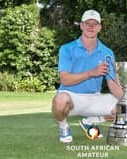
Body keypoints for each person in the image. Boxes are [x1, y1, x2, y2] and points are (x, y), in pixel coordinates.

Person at [52, 9, 124, 143]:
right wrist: (91, 72)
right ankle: (63, 127)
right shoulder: (67, 49)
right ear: (81, 25)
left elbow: (113, 84)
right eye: (87, 23)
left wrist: (125, 99)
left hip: (94, 98)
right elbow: (65, 80)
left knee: (123, 106)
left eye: (95, 23)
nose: (91, 26)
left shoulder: (107, 53)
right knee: (60, 100)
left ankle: (90, 121)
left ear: (100, 27)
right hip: (71, 97)